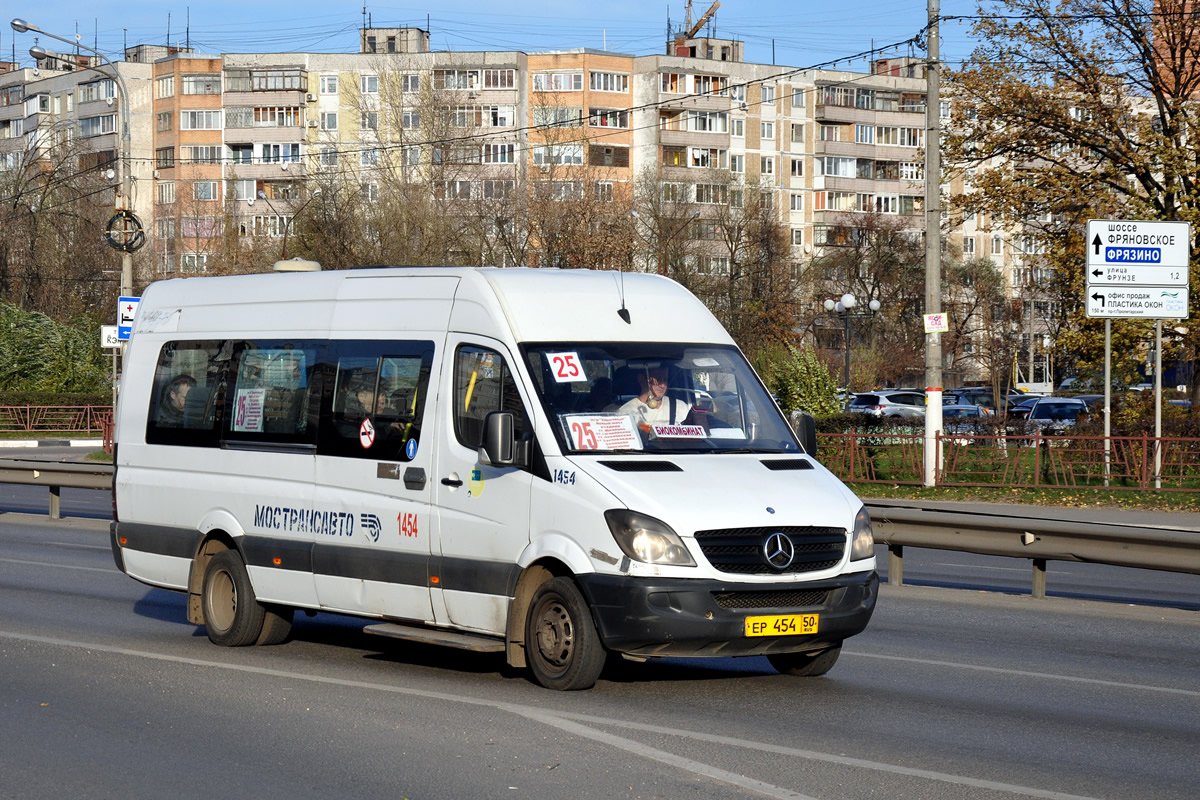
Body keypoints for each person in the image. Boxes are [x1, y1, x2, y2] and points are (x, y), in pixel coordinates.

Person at [618, 367, 691, 426]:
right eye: (658, 380)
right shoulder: (627, 412)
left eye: (665, 380)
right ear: (641, 379)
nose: (663, 385)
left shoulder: (680, 407)